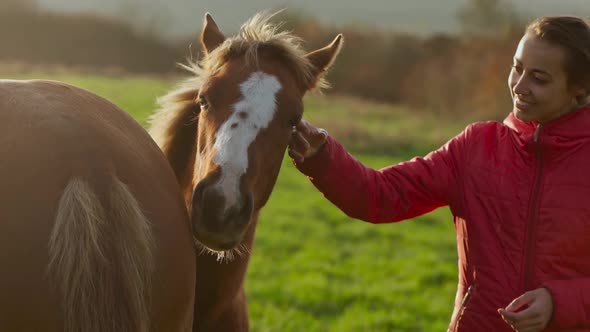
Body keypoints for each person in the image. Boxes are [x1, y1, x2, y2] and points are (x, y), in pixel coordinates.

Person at [288, 16, 590, 332]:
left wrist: (560, 303)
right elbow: (378, 195)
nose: (519, 86)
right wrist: (322, 157)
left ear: (579, 88)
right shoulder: (476, 147)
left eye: (539, 78)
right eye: (517, 68)